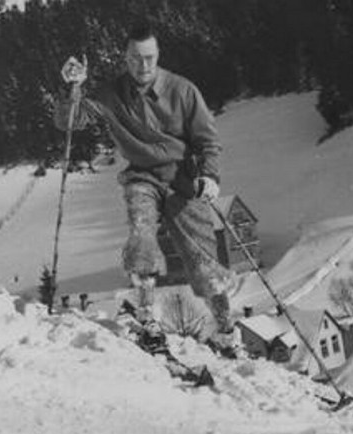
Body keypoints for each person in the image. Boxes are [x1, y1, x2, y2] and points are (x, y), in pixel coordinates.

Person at [55, 23, 237, 355]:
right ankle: (146, 318)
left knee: (203, 261)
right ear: (125, 58)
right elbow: (71, 121)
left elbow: (209, 141)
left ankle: (227, 332)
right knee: (141, 234)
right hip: (142, 177)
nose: (144, 66)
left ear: (158, 55)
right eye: (136, 59)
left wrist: (209, 176)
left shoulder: (182, 90)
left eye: (150, 58)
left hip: (183, 180)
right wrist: (75, 89)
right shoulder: (112, 94)